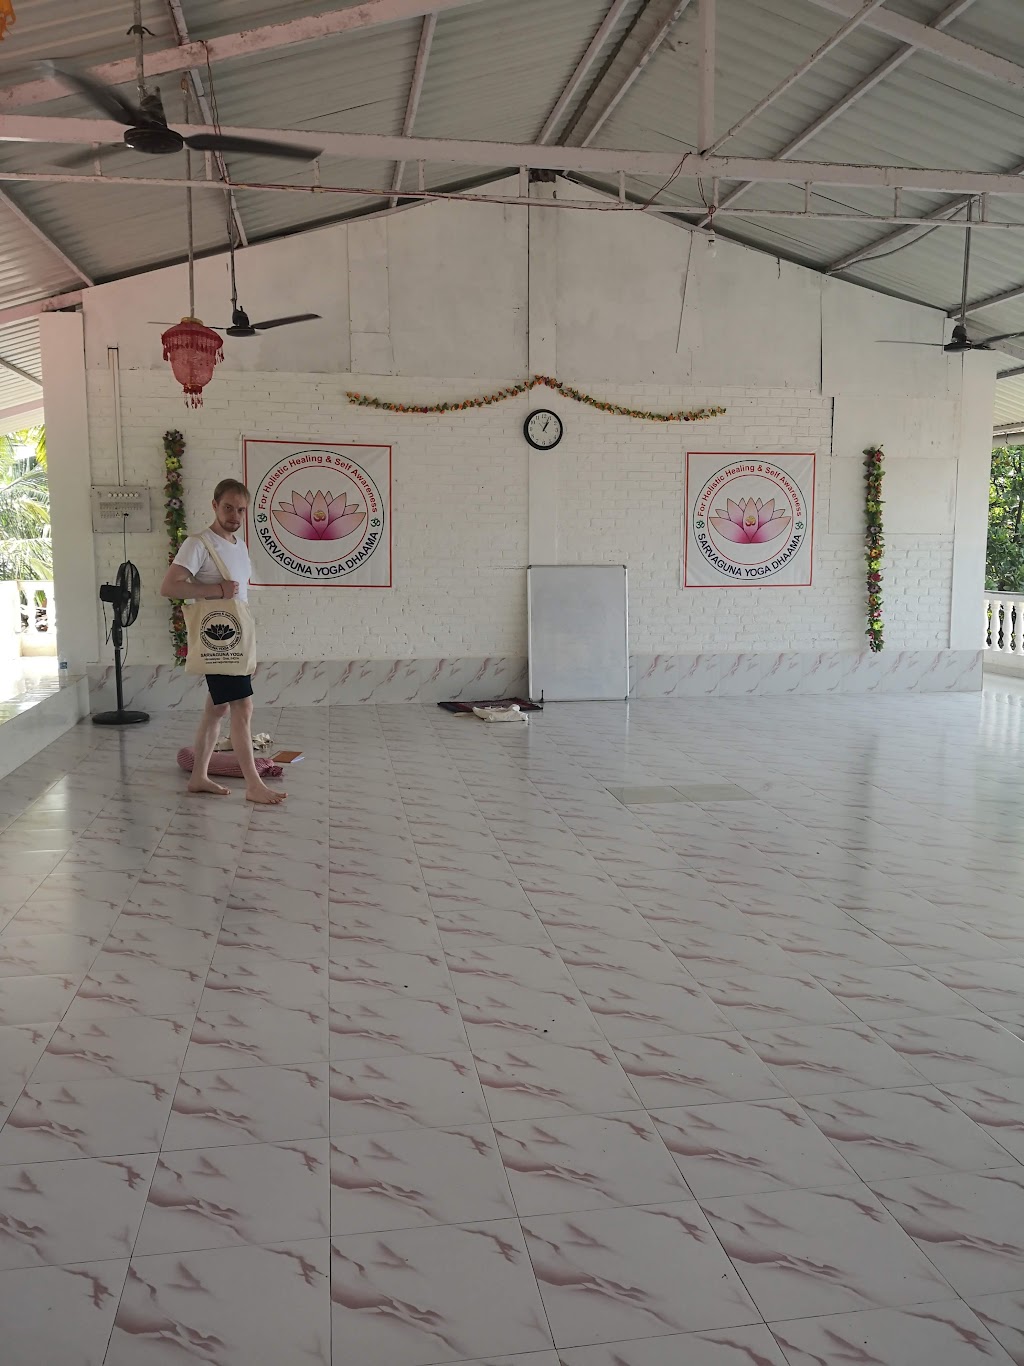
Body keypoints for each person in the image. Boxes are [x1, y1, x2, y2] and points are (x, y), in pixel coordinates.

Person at [159, 478, 287, 805]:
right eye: (228, 507)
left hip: (234, 637)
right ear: (215, 505)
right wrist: (217, 590)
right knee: (243, 707)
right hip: (218, 639)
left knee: (217, 709)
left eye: (241, 510)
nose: (234, 515)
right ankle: (254, 785)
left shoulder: (239, 545)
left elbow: (239, 596)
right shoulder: (199, 544)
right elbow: (170, 587)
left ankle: (199, 777)